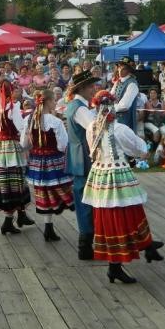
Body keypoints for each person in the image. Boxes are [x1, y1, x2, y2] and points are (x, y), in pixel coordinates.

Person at [83, 90, 163, 284]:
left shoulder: (92, 127)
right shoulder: (119, 129)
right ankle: (117, 265)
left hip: (100, 173)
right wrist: (141, 152)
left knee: (113, 215)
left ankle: (145, 245)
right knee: (123, 214)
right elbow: (139, 149)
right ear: (112, 107)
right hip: (116, 173)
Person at [21, 89, 74, 242]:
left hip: (37, 163)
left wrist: (36, 148)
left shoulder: (29, 119)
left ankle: (48, 228)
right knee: (66, 192)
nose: (55, 103)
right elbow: (62, 145)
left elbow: (24, 144)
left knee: (44, 194)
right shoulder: (55, 121)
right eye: (54, 100)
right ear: (49, 101)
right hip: (54, 162)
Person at [0, 80, 33, 233]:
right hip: (10, 145)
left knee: (9, 181)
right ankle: (8, 221)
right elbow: (20, 127)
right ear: (10, 90)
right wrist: (27, 133)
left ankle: (21, 214)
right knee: (13, 181)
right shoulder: (13, 106)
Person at [65, 70, 99, 260]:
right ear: (83, 88)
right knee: (86, 199)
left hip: (77, 154)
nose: (94, 89)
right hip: (83, 156)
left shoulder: (75, 105)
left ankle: (85, 244)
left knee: (83, 196)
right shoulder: (81, 109)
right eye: (91, 86)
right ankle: (85, 245)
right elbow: (95, 129)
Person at [111, 57, 139, 132]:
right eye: (119, 67)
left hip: (125, 121)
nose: (120, 70)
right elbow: (110, 97)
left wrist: (111, 109)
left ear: (129, 70)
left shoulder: (132, 84)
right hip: (114, 120)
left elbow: (125, 106)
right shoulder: (117, 82)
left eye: (124, 68)